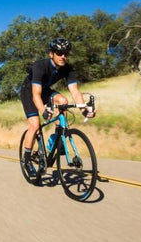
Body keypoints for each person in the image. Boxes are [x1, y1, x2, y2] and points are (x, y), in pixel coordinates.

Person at [20, 38, 96, 175]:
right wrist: (43, 111)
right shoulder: (39, 66)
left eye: (66, 53)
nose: (63, 56)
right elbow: (36, 94)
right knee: (35, 124)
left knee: (63, 101)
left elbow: (75, 91)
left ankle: (56, 137)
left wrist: (84, 110)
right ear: (51, 54)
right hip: (29, 91)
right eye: (59, 53)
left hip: (44, 90)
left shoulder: (68, 69)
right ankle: (26, 159)